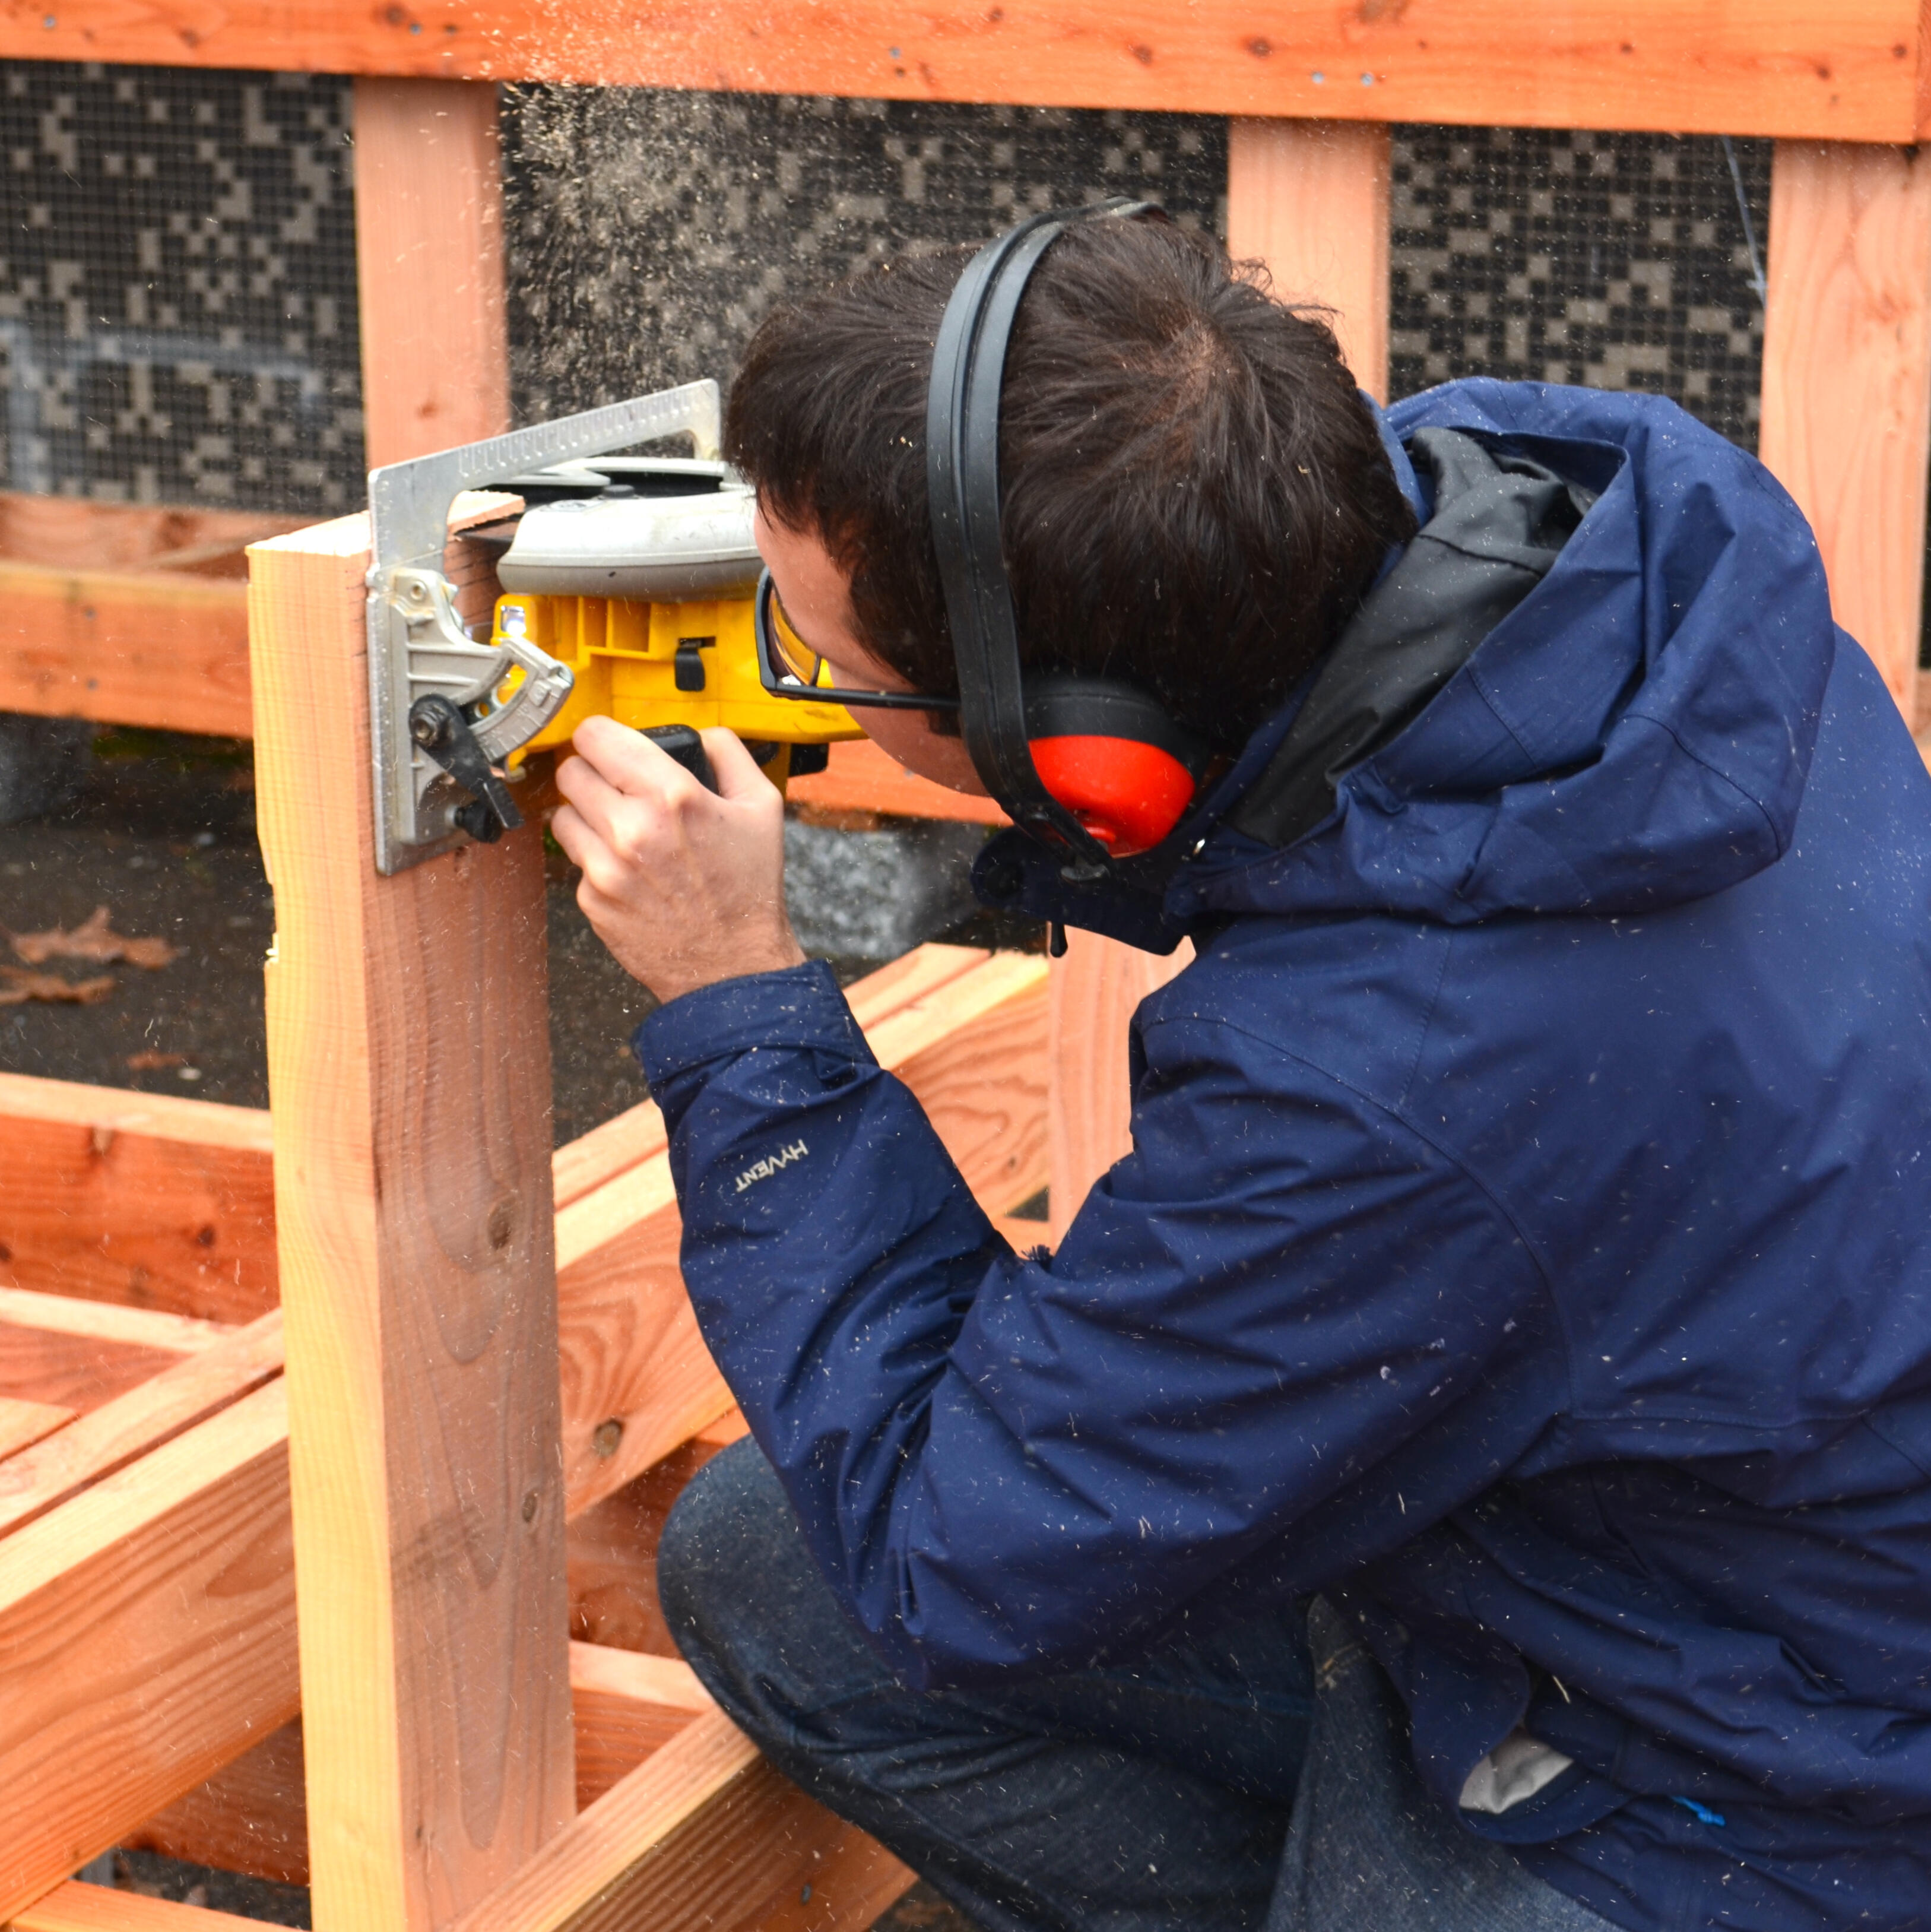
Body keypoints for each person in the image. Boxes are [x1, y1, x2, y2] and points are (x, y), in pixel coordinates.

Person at [547, 215, 1931, 1932]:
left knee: (897, 1564)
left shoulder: (1391, 1077)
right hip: (1600, 1527)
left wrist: (741, 1002)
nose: (801, 676)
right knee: (771, 1565)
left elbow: (949, 1552)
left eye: (828, 657)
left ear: (1092, 756)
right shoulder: (1609, 601)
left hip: (1768, 1781)